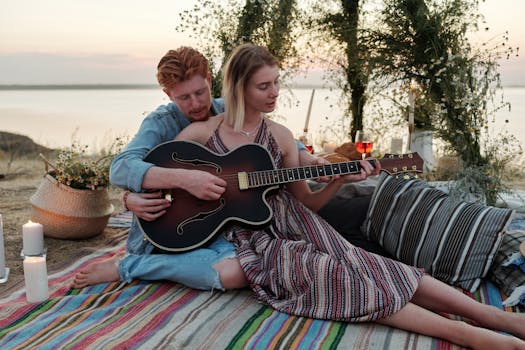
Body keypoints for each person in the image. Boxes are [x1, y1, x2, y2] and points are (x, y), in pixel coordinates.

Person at [172, 43, 525, 349]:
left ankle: (493, 317)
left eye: (277, 82)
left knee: (376, 267)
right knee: (334, 274)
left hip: (303, 223)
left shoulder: (280, 136)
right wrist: (187, 188)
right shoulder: (201, 134)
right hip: (260, 239)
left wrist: (337, 182)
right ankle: (463, 335)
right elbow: (161, 179)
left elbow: (306, 203)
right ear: (238, 87)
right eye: (264, 86)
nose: (275, 92)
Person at [72, 46, 378, 291]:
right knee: (238, 270)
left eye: (200, 92)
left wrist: (309, 160)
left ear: (210, 80)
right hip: (169, 225)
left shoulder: (226, 110)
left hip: (218, 224)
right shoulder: (161, 123)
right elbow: (122, 167)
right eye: (184, 97)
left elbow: (273, 137)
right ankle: (131, 267)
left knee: (250, 267)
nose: (195, 103)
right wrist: (175, 182)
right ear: (168, 95)